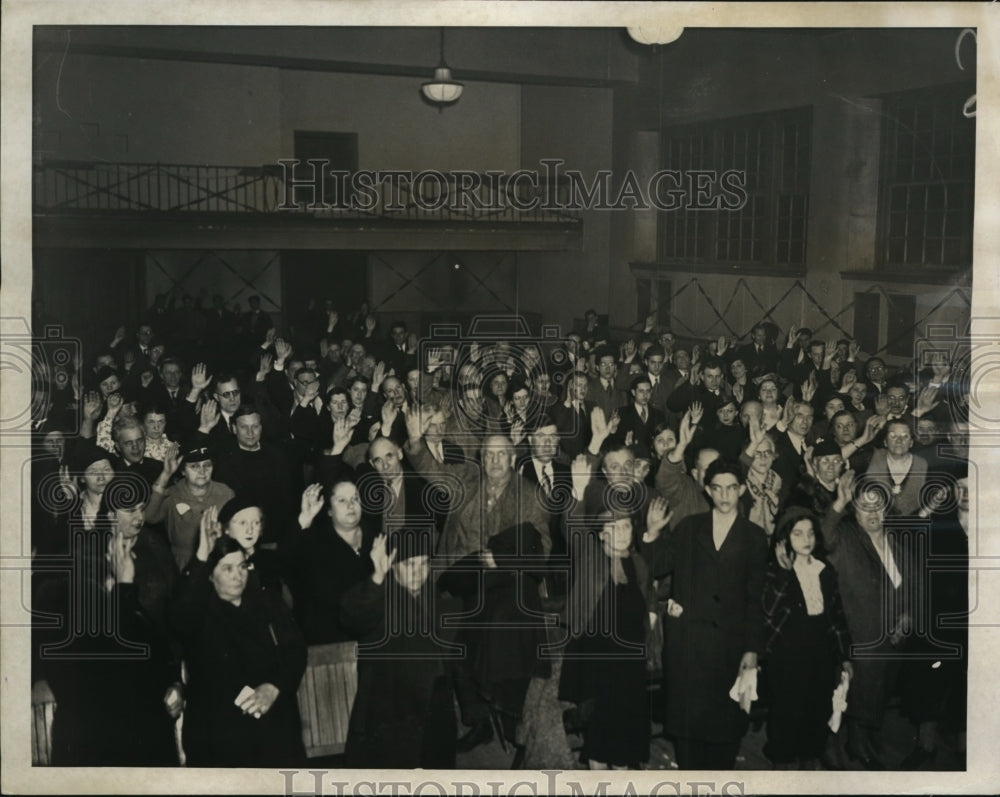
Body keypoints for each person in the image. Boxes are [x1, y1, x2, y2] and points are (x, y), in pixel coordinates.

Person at [656, 459, 769, 770]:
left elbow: (755, 598)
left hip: (730, 646)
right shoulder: (689, 528)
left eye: (731, 488)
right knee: (688, 726)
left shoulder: (755, 536)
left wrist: (751, 650)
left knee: (726, 723)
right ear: (707, 490)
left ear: (742, 490)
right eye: (717, 488)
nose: (724, 496)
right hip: (690, 644)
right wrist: (652, 534)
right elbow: (657, 565)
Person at [170, 535, 306, 768]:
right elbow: (181, 617)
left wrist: (275, 687)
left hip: (271, 719)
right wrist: (201, 556)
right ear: (210, 575)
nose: (238, 575)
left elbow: (295, 651)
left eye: (242, 566)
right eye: (227, 568)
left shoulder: (267, 602)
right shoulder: (198, 612)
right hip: (220, 731)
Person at [340, 528, 458, 768]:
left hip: (433, 708)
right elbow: (353, 617)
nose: (418, 573)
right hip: (390, 711)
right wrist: (377, 577)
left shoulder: (432, 596)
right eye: (409, 565)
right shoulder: (380, 595)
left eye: (424, 564)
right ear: (393, 566)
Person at [559, 506, 666, 769]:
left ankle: (621, 769)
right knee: (604, 728)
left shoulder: (637, 562)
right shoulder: (592, 558)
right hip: (597, 657)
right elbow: (571, 530)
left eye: (626, 526)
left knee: (627, 727)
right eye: (613, 528)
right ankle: (600, 771)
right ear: (601, 535)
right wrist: (578, 498)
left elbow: (648, 592)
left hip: (631, 658)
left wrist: (652, 613)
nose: (621, 533)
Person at [822, 473, 913, 769]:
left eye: (878, 506)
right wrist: (839, 502)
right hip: (860, 634)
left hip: (893, 636)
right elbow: (822, 539)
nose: (872, 513)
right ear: (854, 510)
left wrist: (907, 617)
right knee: (860, 695)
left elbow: (912, 583)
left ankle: (867, 738)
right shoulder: (845, 538)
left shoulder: (896, 540)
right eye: (864, 506)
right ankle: (856, 747)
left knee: (880, 693)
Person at [761, 508, 853, 769]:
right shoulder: (774, 571)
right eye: (798, 533)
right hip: (787, 655)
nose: (806, 539)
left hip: (820, 653)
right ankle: (782, 757)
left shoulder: (825, 570)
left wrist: (845, 656)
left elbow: (836, 616)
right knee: (787, 709)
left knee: (817, 706)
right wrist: (783, 573)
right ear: (784, 538)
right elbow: (768, 614)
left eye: (811, 533)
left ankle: (810, 754)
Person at [286, 480, 377, 644]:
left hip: (374, 634)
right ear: (329, 510)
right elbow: (287, 563)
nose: (351, 505)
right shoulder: (314, 541)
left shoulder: (378, 537)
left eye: (355, 498)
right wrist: (305, 518)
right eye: (341, 500)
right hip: (332, 639)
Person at [144, 443, 236, 570]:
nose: (202, 471)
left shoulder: (226, 493)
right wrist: (166, 474)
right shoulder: (173, 494)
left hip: (218, 561)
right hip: (182, 563)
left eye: (207, 465)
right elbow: (149, 517)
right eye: (194, 466)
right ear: (183, 471)